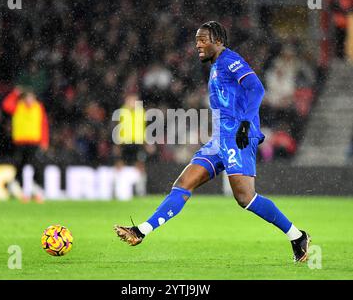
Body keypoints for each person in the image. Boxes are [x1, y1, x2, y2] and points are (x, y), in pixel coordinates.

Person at [115, 21, 311, 262]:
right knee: (183, 183)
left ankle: (297, 236)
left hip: (238, 137)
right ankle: (141, 231)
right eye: (196, 40)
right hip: (220, 139)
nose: (198, 44)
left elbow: (257, 88)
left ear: (218, 41)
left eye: (203, 39)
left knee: (245, 198)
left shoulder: (230, 60)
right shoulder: (216, 66)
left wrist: (246, 123)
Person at [2, 86, 49, 203]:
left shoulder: (39, 107)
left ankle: (36, 189)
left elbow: (43, 125)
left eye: (31, 97)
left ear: (34, 98)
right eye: (27, 97)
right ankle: (20, 190)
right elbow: (6, 105)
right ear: (23, 98)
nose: (29, 100)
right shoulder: (18, 106)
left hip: (34, 142)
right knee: (20, 166)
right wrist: (14, 93)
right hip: (21, 142)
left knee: (37, 165)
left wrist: (44, 141)